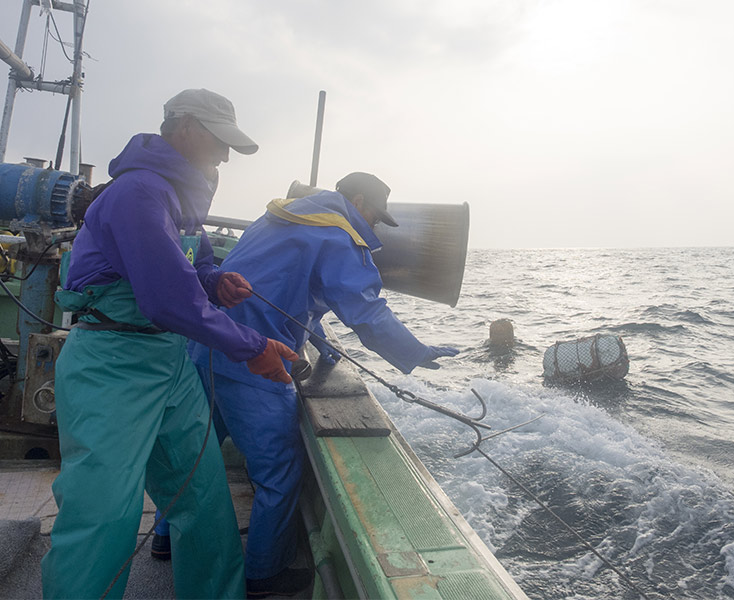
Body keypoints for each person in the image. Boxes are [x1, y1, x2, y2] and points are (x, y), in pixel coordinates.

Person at [40, 88, 299, 599]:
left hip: (169, 365)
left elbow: (193, 268)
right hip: (111, 367)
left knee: (202, 501)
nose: (224, 155)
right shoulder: (138, 192)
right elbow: (166, 299)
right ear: (183, 127)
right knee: (103, 514)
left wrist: (214, 282)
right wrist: (253, 348)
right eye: (218, 141)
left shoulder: (179, 196)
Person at [186, 171, 459, 598]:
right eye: (373, 211)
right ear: (356, 198)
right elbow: (365, 311)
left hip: (206, 345)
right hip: (256, 359)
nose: (373, 222)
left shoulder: (280, 215)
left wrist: (317, 337)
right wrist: (415, 351)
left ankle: (165, 540)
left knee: (194, 456)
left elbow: (286, 283)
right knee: (279, 470)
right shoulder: (337, 233)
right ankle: (263, 575)